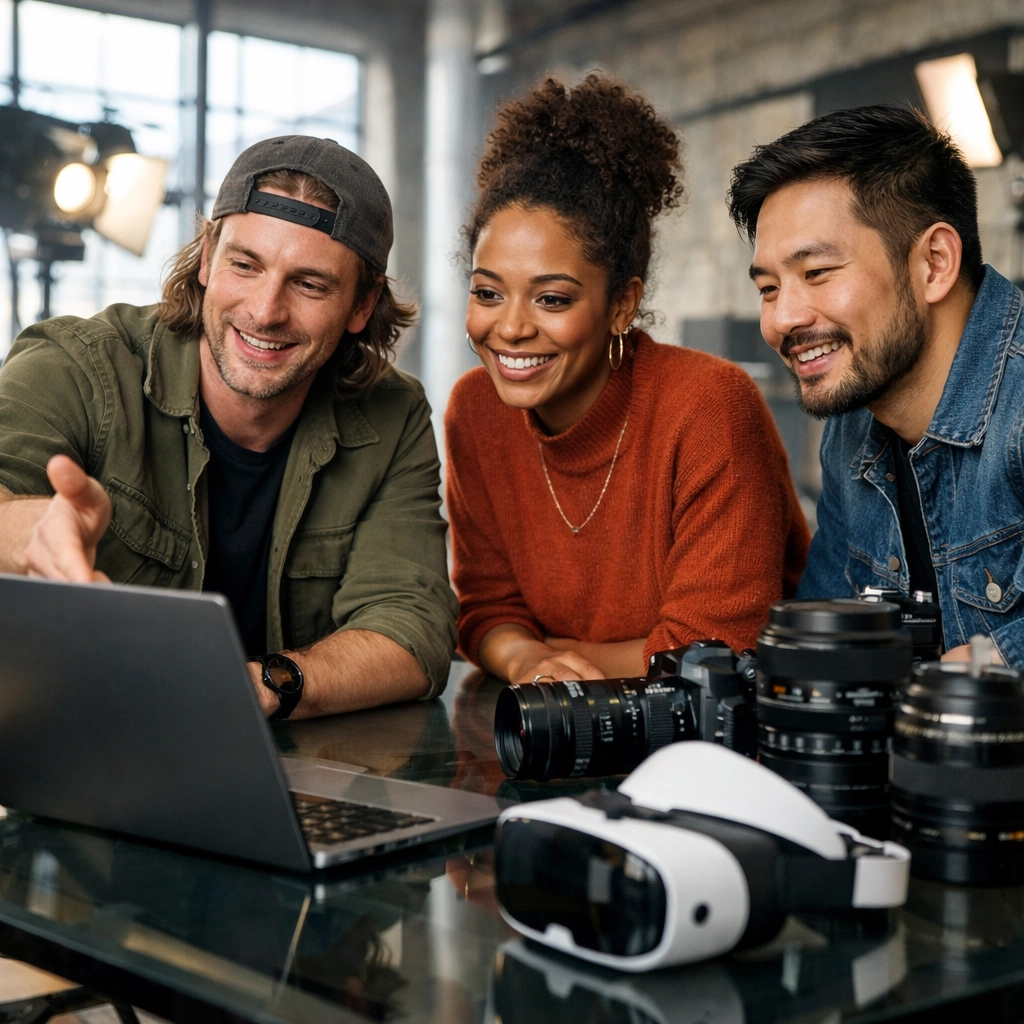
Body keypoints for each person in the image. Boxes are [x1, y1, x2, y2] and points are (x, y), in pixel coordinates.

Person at [0, 136, 457, 716]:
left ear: (363, 306)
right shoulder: (75, 364)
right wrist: (31, 527)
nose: (266, 311)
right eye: (246, 264)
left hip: (294, 769)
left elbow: (413, 630)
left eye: (310, 283)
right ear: (210, 256)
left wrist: (265, 686)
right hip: (73, 736)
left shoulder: (393, 415)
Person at [445, 75, 809, 684]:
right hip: (555, 732)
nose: (508, 328)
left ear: (621, 304)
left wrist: (548, 658)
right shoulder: (476, 409)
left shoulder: (709, 407)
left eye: (552, 300)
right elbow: (486, 611)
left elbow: (712, 653)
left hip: (721, 745)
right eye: (487, 292)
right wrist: (529, 659)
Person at [727, 103, 1024, 667]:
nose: (782, 319)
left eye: (816, 273)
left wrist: (978, 670)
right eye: (768, 287)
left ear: (934, 263)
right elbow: (819, 647)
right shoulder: (853, 426)